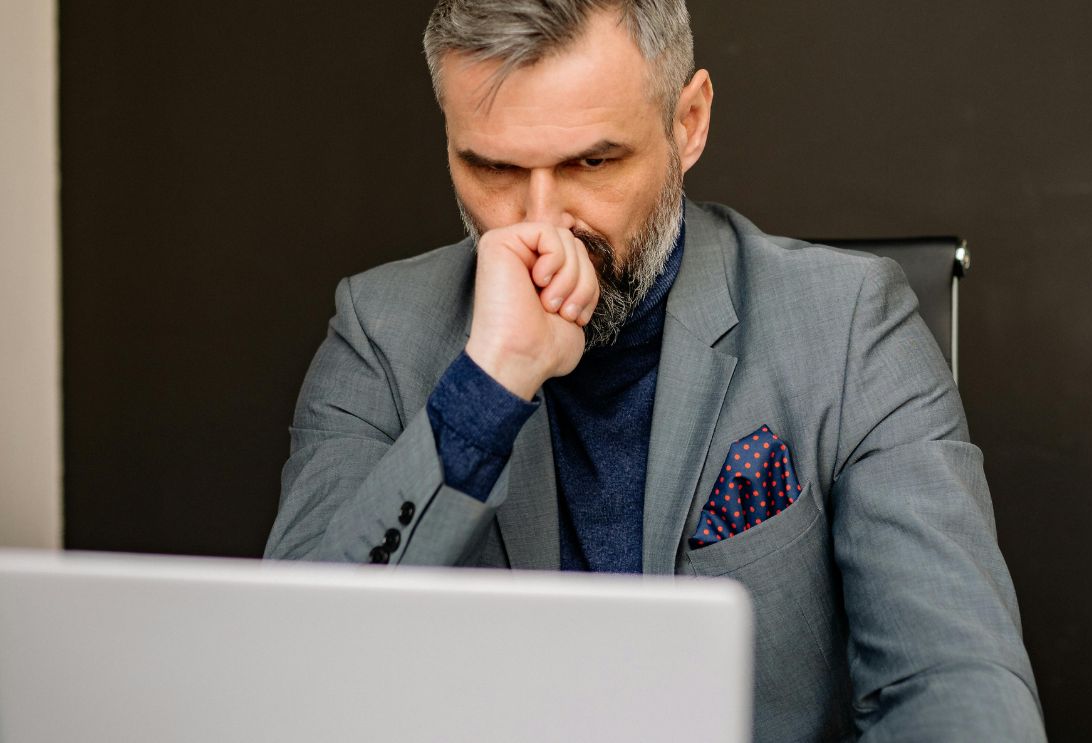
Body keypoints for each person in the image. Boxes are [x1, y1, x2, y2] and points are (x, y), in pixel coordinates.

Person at [265, 1, 1046, 740]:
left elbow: (955, 681)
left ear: (688, 122)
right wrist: (488, 385)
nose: (541, 224)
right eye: (493, 169)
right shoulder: (379, 331)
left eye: (592, 161)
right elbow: (295, 676)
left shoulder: (847, 325)